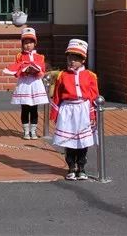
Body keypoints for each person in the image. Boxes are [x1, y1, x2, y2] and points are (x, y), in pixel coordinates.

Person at [50, 39, 99, 181]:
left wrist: (93, 114)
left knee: (82, 142)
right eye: (70, 57)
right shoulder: (62, 75)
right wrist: (55, 114)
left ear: (82, 60)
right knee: (69, 141)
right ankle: (71, 167)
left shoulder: (90, 76)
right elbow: (57, 96)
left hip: (83, 109)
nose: (72, 61)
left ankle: (81, 167)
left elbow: (93, 96)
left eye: (75, 58)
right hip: (67, 110)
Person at [2, 27, 48, 140]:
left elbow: (42, 70)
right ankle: (26, 131)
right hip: (24, 84)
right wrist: (24, 70)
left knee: (34, 108)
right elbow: (16, 69)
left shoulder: (40, 56)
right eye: (25, 43)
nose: (28, 45)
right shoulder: (19, 56)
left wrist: (36, 71)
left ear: (35, 43)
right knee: (25, 107)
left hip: (35, 84)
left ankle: (33, 131)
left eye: (30, 42)